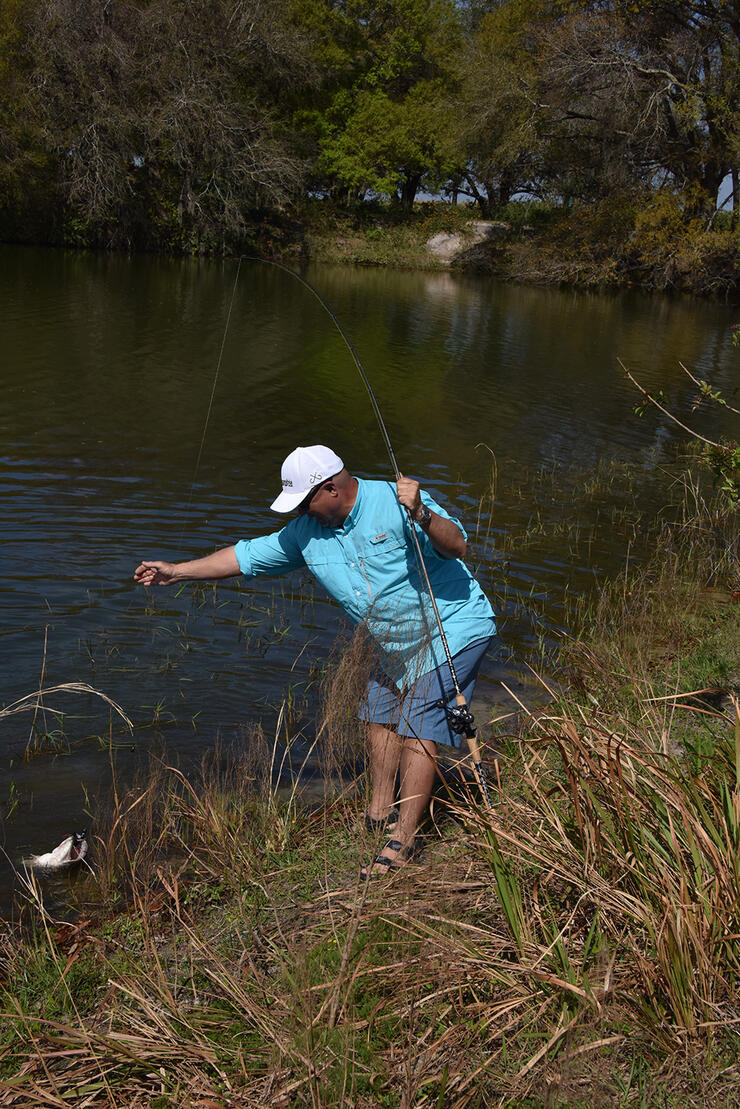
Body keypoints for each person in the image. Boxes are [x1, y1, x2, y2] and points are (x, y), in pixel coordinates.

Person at [134, 445, 496, 877]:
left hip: (451, 626)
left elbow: (457, 545)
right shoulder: (307, 531)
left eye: (306, 501)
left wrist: (422, 514)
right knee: (377, 714)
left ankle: (404, 840)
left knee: (419, 723)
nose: (302, 512)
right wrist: (176, 571)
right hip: (396, 643)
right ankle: (378, 812)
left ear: (332, 489)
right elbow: (243, 557)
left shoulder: (398, 501)